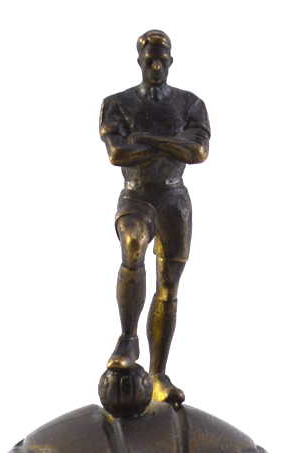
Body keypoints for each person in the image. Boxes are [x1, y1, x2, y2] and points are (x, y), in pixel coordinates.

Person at [100, 30, 210, 406]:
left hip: (174, 200)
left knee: (169, 286)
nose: (157, 66)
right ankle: (128, 337)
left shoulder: (190, 104)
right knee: (132, 243)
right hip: (137, 194)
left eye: (163, 59)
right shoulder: (118, 104)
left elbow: (198, 152)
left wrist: (145, 140)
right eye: (151, 60)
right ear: (140, 62)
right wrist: (172, 145)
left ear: (171, 61)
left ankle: (158, 373)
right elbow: (118, 154)